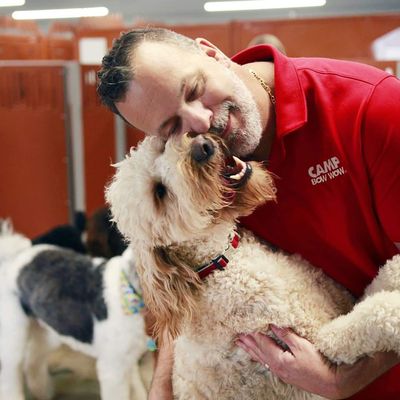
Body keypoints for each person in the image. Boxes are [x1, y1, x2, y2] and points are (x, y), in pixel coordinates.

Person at [97, 27, 400, 399]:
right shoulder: (198, 176)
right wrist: (162, 385)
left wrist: (345, 379)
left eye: (193, 90)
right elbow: (195, 273)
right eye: (172, 127)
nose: (201, 123)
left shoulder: (372, 106)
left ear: (210, 53)